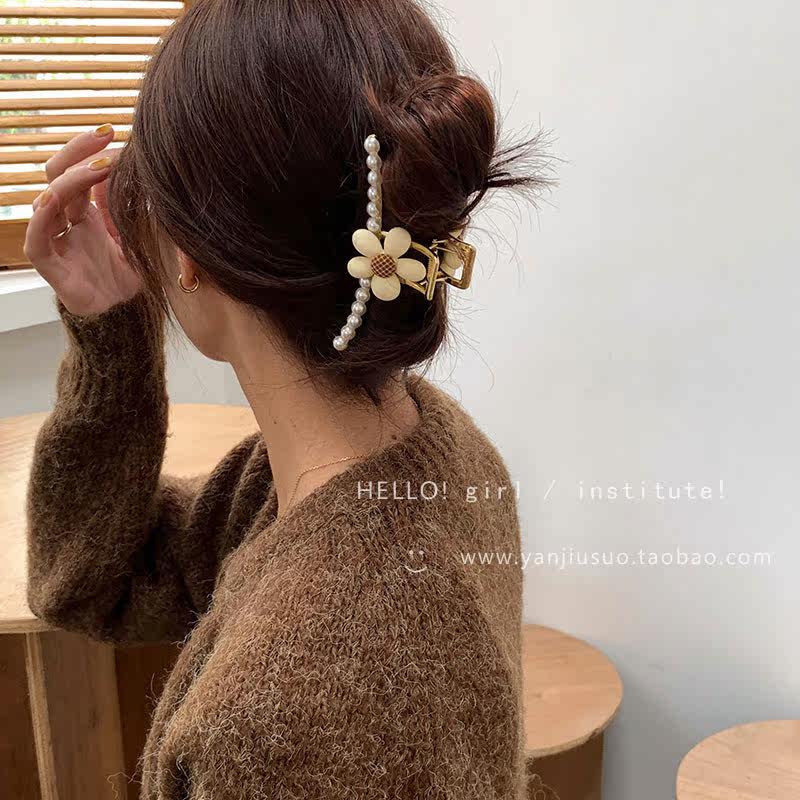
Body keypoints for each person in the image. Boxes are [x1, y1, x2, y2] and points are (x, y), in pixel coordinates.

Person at [24, 1, 546, 797]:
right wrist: (111, 334)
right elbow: (90, 582)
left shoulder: (283, 721)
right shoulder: (432, 451)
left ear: (189, 253)